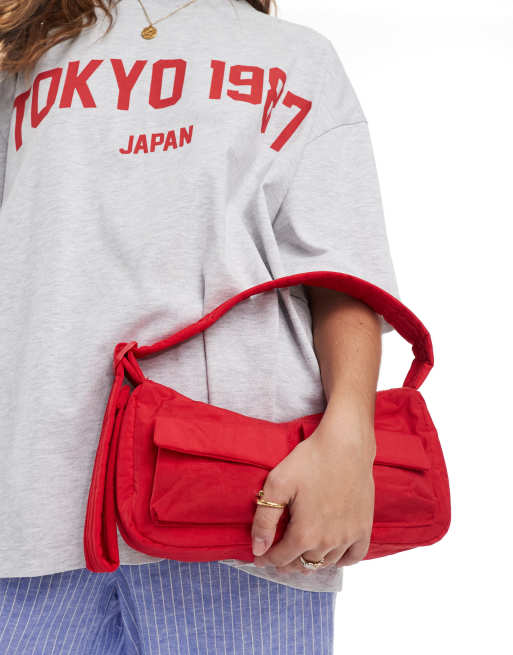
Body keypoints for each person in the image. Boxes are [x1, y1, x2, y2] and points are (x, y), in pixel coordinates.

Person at [0, 0, 400, 652]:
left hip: (246, 497)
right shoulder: (21, 51)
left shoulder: (297, 55)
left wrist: (351, 443)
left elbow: (342, 272)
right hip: (34, 498)